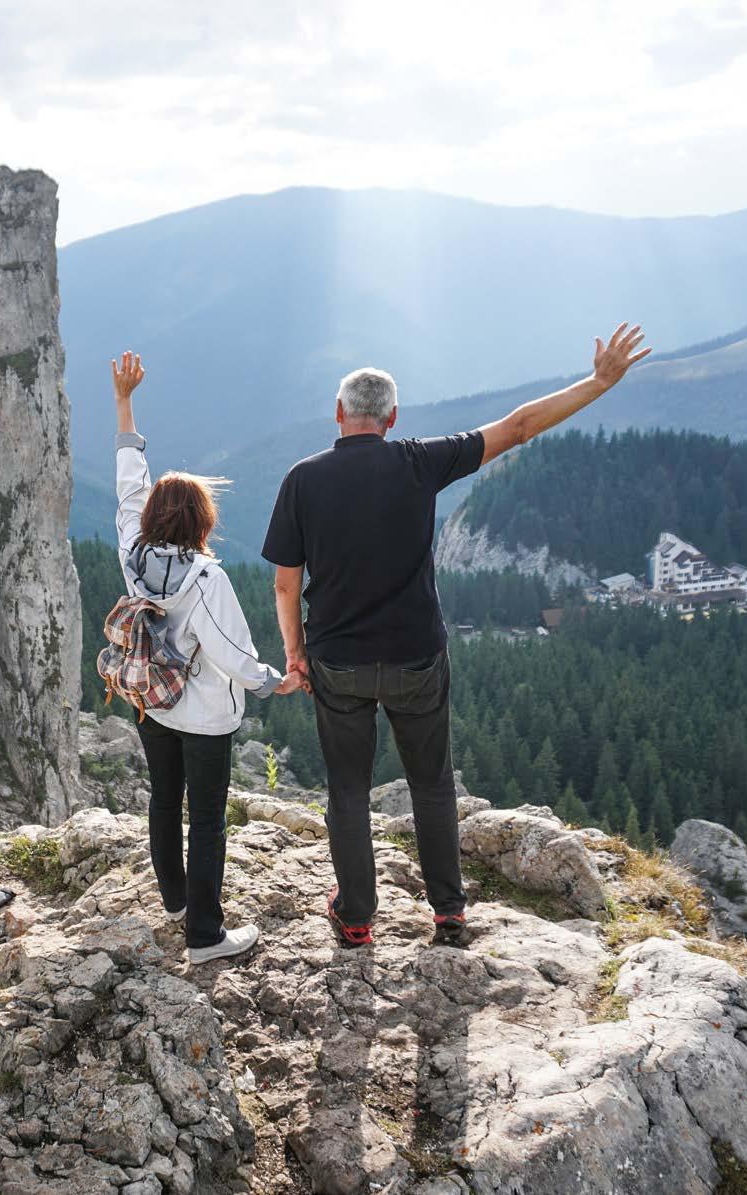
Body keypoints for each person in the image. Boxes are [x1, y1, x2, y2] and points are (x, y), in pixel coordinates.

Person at [262, 325, 650, 948]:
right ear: (392, 418)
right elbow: (519, 426)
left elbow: (286, 585)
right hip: (417, 654)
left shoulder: (303, 479)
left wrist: (295, 655)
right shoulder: (420, 460)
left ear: (338, 414)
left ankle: (356, 917)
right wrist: (601, 382)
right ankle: (448, 912)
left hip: (338, 660)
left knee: (348, 789)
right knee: (433, 783)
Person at [112, 351, 303, 964]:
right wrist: (276, 680)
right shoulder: (204, 578)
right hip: (203, 718)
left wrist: (124, 404)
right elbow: (232, 653)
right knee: (209, 820)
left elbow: (128, 484)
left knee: (164, 801)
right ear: (202, 521)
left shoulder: (130, 551)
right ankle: (204, 935)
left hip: (150, 702)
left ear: (150, 518)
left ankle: (175, 901)